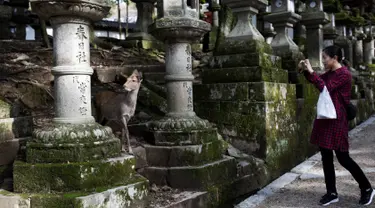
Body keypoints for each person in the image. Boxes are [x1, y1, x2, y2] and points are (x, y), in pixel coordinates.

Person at [299, 45, 375, 206]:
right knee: (326, 156)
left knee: (343, 158)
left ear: (335, 58)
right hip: (326, 118)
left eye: (325, 58)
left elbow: (325, 87)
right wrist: (306, 71)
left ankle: (367, 188)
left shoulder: (344, 74)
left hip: (338, 120)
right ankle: (331, 192)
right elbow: (318, 82)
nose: (323, 61)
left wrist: (312, 72)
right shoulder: (330, 73)